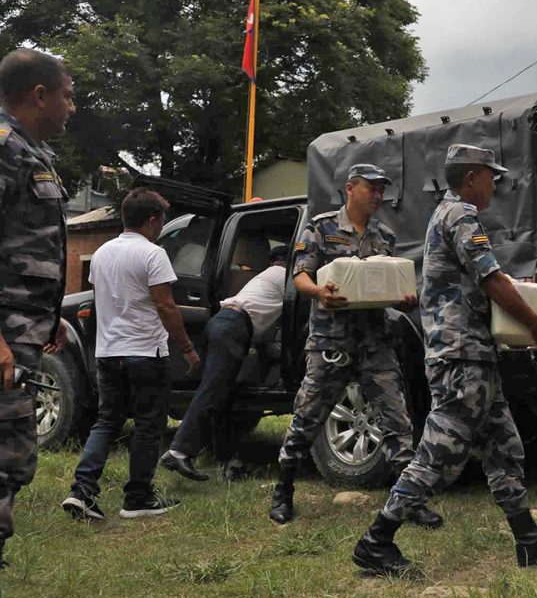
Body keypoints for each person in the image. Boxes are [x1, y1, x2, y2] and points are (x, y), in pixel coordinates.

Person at [352, 144, 537, 576]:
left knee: (504, 449)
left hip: (473, 353)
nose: (496, 183)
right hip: (460, 355)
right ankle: (376, 541)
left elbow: (487, 281)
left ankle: (529, 540)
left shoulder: (449, 215)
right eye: (491, 175)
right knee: (438, 453)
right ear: (471, 177)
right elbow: (491, 279)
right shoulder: (460, 216)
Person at [267, 164, 439, 527]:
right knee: (308, 417)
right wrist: (319, 293)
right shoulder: (322, 227)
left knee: (397, 419)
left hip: (375, 342)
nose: (378, 195)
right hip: (331, 340)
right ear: (350, 188)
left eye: (382, 190)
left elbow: (384, 285)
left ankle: (408, 500)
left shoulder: (384, 237)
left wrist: (403, 300)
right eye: (371, 188)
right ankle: (283, 491)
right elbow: (300, 275)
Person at [62, 189, 200, 521]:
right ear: (153, 220)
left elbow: (105, 300)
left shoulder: (101, 254)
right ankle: (137, 497)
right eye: (161, 220)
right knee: (148, 425)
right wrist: (187, 348)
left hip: (108, 352)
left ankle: (81, 491)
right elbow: (165, 305)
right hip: (145, 353)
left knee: (107, 420)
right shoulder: (153, 254)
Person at [0, 47, 76, 598]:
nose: (71, 107)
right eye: (67, 95)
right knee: (6, 461)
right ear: (39, 95)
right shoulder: (3, 147)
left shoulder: (36, 153)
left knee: (12, 462)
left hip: (23, 335)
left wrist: (49, 322)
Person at [160, 245, 289, 482]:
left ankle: (226, 460)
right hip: (233, 326)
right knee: (212, 390)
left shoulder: (265, 277)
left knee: (223, 396)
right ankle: (177, 451)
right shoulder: (284, 276)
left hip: (224, 323)